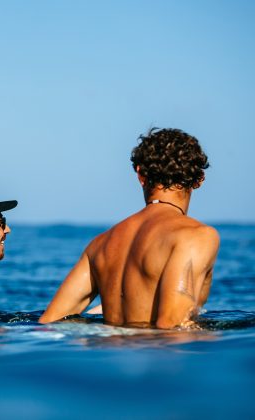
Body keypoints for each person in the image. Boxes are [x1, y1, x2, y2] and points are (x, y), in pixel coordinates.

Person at [39, 128, 220, 329]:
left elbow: (49, 322)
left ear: (140, 174)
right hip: (157, 357)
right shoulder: (196, 236)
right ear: (199, 179)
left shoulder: (101, 243)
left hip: (109, 356)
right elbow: (172, 326)